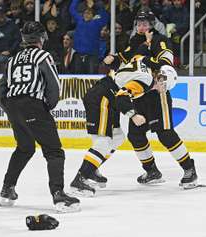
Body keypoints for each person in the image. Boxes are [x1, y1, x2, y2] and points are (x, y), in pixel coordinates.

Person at [104, 11, 198, 189]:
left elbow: (166, 62)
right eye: (139, 23)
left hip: (156, 92)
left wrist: (147, 59)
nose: (141, 26)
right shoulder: (135, 41)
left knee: (165, 134)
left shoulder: (159, 39)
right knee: (135, 135)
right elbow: (127, 58)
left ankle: (189, 169)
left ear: (152, 24)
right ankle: (152, 171)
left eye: (145, 23)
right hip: (138, 92)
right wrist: (114, 59)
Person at [0, 21, 80, 212]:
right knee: (54, 151)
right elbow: (53, 85)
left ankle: (7, 189)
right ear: (42, 38)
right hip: (33, 105)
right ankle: (58, 195)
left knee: (24, 148)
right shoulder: (43, 55)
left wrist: (10, 109)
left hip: (13, 106)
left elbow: (0, 91)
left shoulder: (12, 60)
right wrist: (46, 106)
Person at [70, 57, 178, 195]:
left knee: (117, 137)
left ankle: (91, 170)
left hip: (107, 97)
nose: (162, 90)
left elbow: (123, 67)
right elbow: (122, 95)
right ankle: (80, 179)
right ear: (161, 79)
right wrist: (134, 115)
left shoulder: (144, 67)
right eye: (164, 86)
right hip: (103, 98)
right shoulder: (147, 80)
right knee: (103, 142)